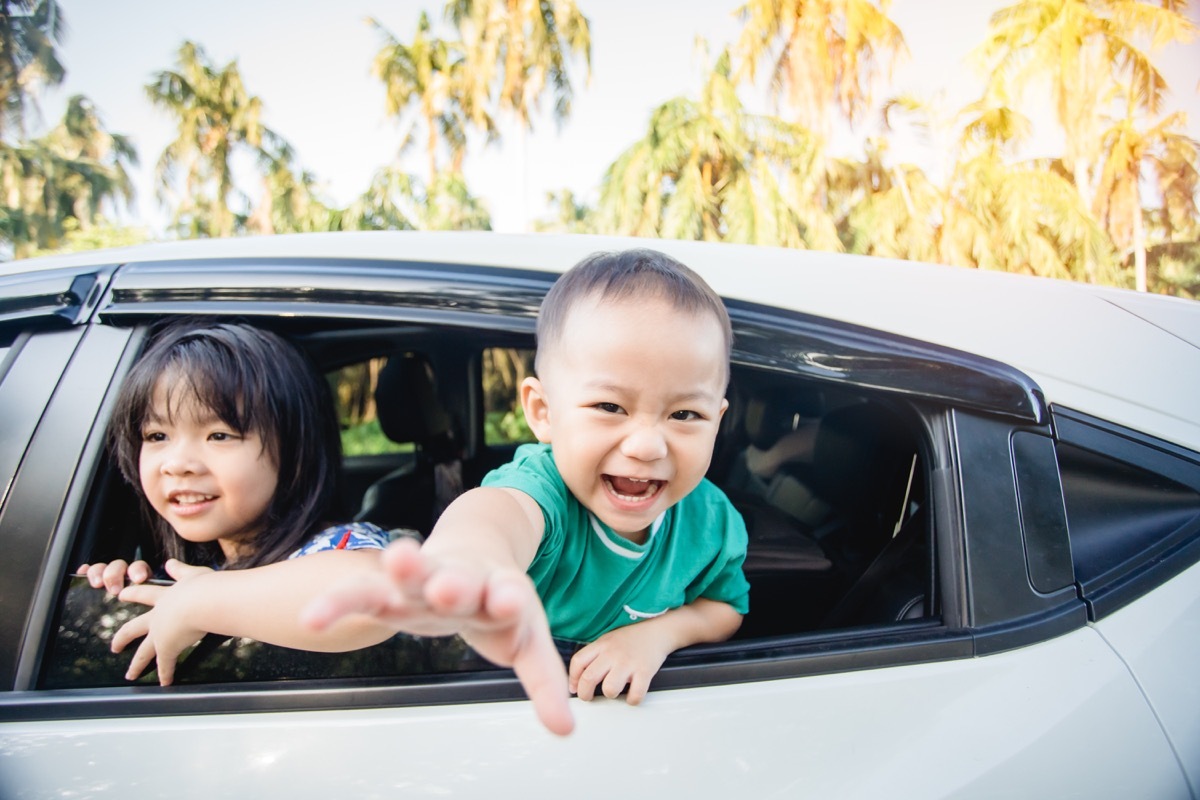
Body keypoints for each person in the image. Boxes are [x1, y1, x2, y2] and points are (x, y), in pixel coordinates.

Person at [302, 248, 751, 737]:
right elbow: (494, 519)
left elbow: (724, 607)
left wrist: (655, 636)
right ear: (542, 411)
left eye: (686, 415)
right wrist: (464, 564)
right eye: (609, 406)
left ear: (718, 422)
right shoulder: (545, 492)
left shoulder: (713, 519)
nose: (646, 445)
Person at [77, 320, 399, 685]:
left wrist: (199, 601)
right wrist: (118, 592)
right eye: (156, 435)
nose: (177, 463)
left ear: (295, 451)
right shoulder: (200, 565)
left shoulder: (336, 547)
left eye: (219, 434)